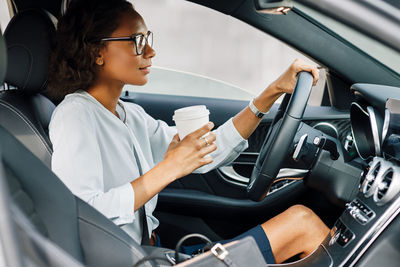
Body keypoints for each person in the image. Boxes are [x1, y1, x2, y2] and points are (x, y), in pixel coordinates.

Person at [48, 0, 329, 264]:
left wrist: (270, 94)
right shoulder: (75, 116)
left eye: (148, 39)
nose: (150, 52)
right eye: (137, 41)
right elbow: (80, 212)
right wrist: (169, 169)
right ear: (97, 52)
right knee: (301, 223)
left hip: (152, 252)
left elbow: (205, 149)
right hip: (128, 260)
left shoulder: (128, 115)